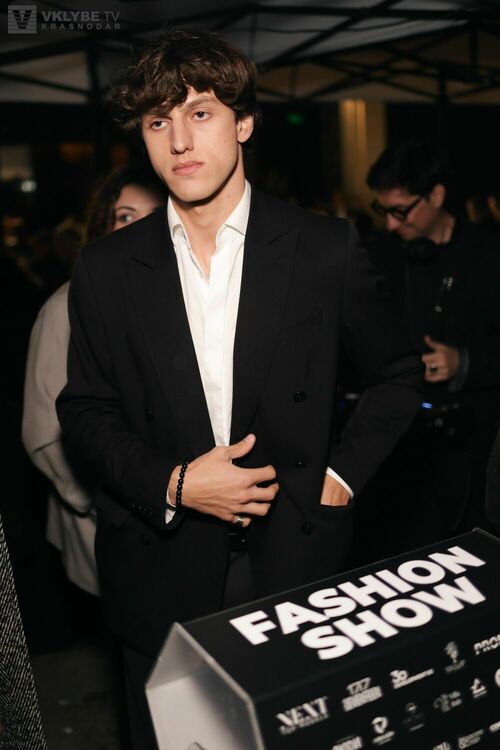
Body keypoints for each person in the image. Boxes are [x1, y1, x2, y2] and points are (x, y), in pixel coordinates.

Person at [56, 29, 422, 748]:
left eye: (200, 113)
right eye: (158, 122)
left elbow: (397, 377)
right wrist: (174, 483)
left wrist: (339, 478)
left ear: (244, 122)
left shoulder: (323, 248)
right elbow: (86, 409)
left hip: (294, 557)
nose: (179, 141)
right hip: (161, 565)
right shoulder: (107, 268)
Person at [22, 164, 166, 602]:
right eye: (125, 216)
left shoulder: (181, 300)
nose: (139, 228)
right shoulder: (66, 307)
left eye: (154, 215)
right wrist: (92, 501)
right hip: (106, 519)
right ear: (103, 225)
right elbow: (44, 432)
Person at [355, 139, 500, 563]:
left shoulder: (489, 256)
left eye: (401, 211)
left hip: (470, 445)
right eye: (384, 211)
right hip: (397, 446)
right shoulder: (377, 255)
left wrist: (465, 363)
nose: (391, 224)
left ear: (436, 195)